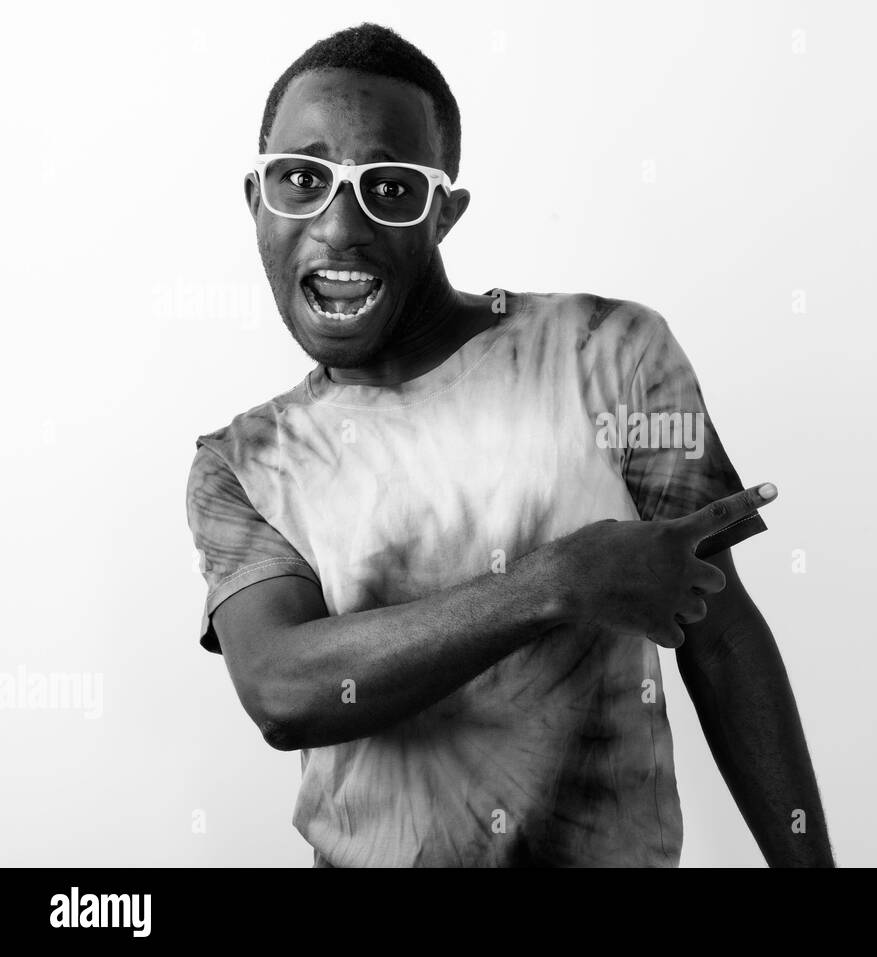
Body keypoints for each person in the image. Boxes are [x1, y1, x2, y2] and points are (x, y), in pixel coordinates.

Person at [185, 22, 832, 867]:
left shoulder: (609, 353)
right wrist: (561, 581)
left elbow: (721, 634)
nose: (339, 227)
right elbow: (282, 688)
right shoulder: (244, 465)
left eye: (389, 188)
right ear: (257, 199)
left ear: (445, 213)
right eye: (301, 180)